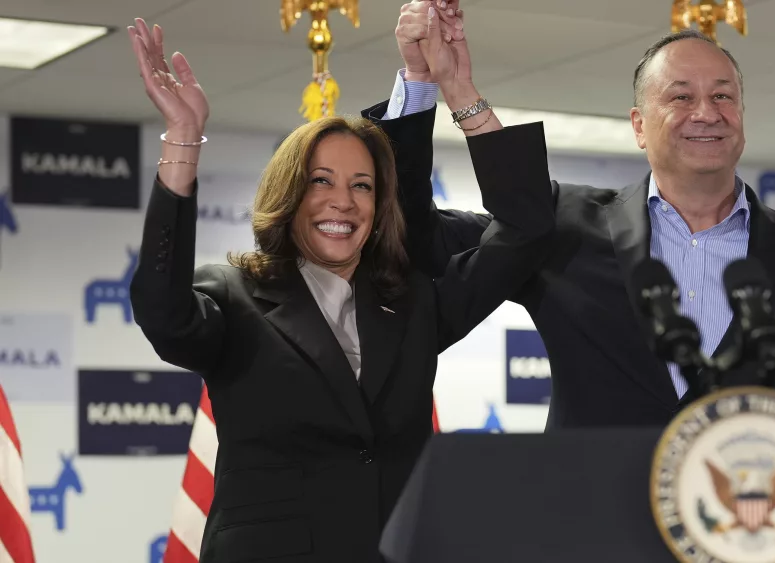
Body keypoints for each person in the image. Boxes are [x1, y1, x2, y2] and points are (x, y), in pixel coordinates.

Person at [126, 12, 553, 563]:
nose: (343, 202)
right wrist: (183, 141)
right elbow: (163, 315)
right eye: (320, 182)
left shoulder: (416, 302)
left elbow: (526, 228)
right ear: (289, 195)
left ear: (379, 209)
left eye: (362, 186)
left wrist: (458, 90)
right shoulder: (235, 297)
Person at [362, 1, 775, 428]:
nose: (707, 112)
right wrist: (431, 84)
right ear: (638, 125)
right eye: (681, 96)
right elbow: (414, 235)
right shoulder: (561, 225)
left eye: (724, 95)